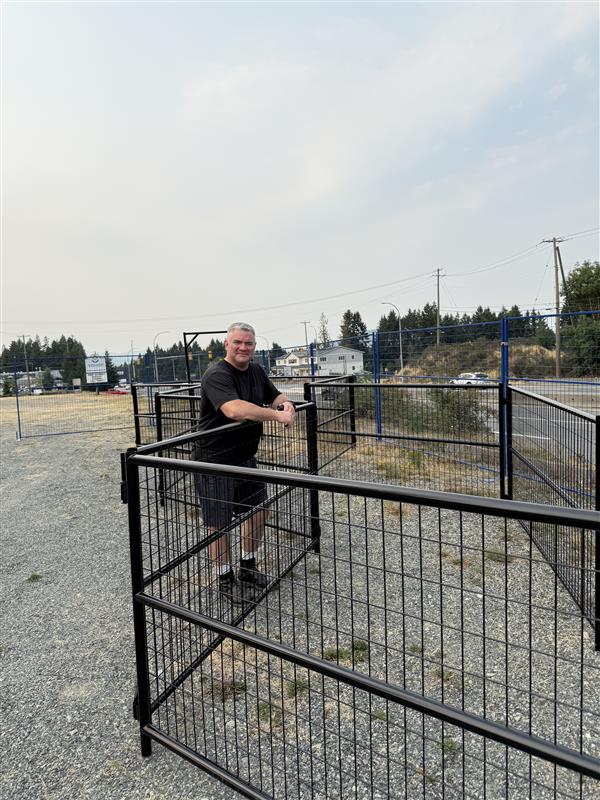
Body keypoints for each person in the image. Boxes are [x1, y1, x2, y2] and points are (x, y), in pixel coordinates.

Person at [194, 322, 295, 604]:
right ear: (226, 344)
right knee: (219, 522)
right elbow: (234, 409)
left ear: (254, 347)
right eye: (237, 342)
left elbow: (275, 395)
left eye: (248, 343)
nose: (243, 347)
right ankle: (225, 578)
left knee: (258, 511)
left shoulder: (256, 371)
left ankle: (248, 567)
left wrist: (286, 404)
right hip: (214, 461)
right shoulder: (217, 375)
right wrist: (276, 415)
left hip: (244, 457)